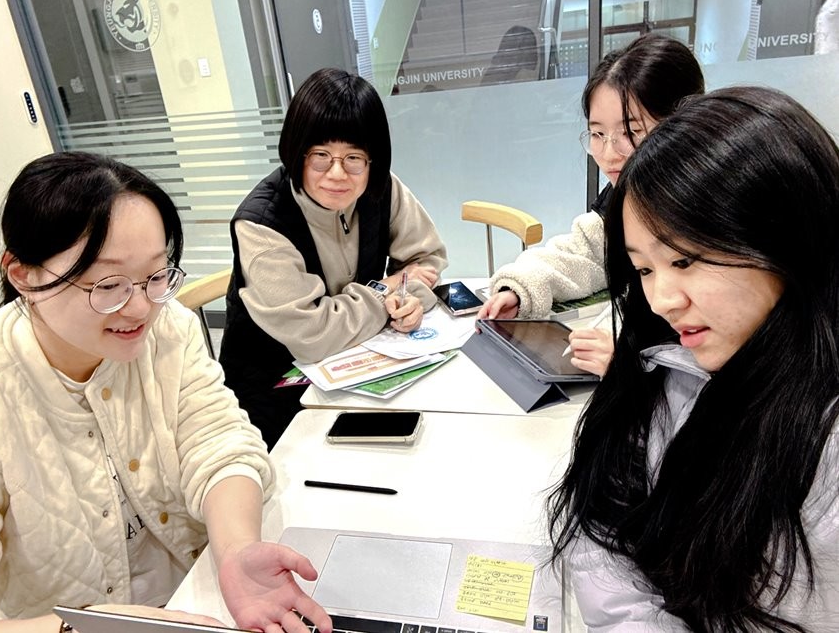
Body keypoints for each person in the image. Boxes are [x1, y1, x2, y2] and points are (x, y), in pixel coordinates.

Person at [0, 152, 332, 633]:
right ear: (23, 274)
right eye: (109, 284)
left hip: (207, 602)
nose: (142, 307)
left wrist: (237, 550)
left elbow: (219, 443)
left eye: (156, 275)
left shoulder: (170, 331)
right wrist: (85, 628)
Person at [547, 86, 839, 631]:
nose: (661, 300)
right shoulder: (670, 360)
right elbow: (603, 510)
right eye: (645, 270)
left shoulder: (819, 439)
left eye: (684, 260)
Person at [219, 68, 448, 449]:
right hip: (274, 388)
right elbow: (314, 336)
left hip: (357, 364)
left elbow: (427, 261)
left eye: (354, 157)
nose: (338, 174)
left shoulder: (382, 187)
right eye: (321, 156)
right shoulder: (262, 225)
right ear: (296, 151)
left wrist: (406, 297)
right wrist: (382, 292)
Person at [477, 34, 704, 376]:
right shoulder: (627, 195)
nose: (609, 153)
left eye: (631, 132)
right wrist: (521, 287)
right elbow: (585, 251)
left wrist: (636, 364)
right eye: (597, 134)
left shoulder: (714, 210)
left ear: (684, 121)